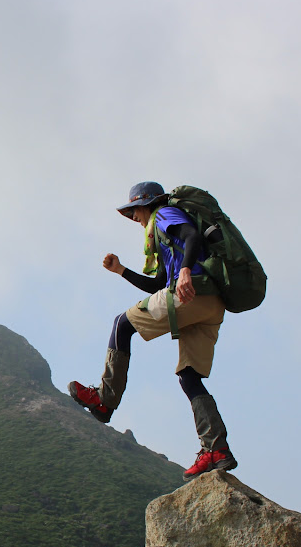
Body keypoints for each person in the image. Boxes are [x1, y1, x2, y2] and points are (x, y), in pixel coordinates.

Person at [68, 181, 236, 482]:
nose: (133, 216)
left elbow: (191, 235)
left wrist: (185, 272)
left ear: (148, 204)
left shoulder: (163, 215)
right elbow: (158, 285)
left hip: (191, 291)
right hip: (211, 303)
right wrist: (121, 270)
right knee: (189, 374)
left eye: (134, 209)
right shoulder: (161, 236)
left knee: (122, 324)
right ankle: (216, 449)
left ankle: (105, 400)